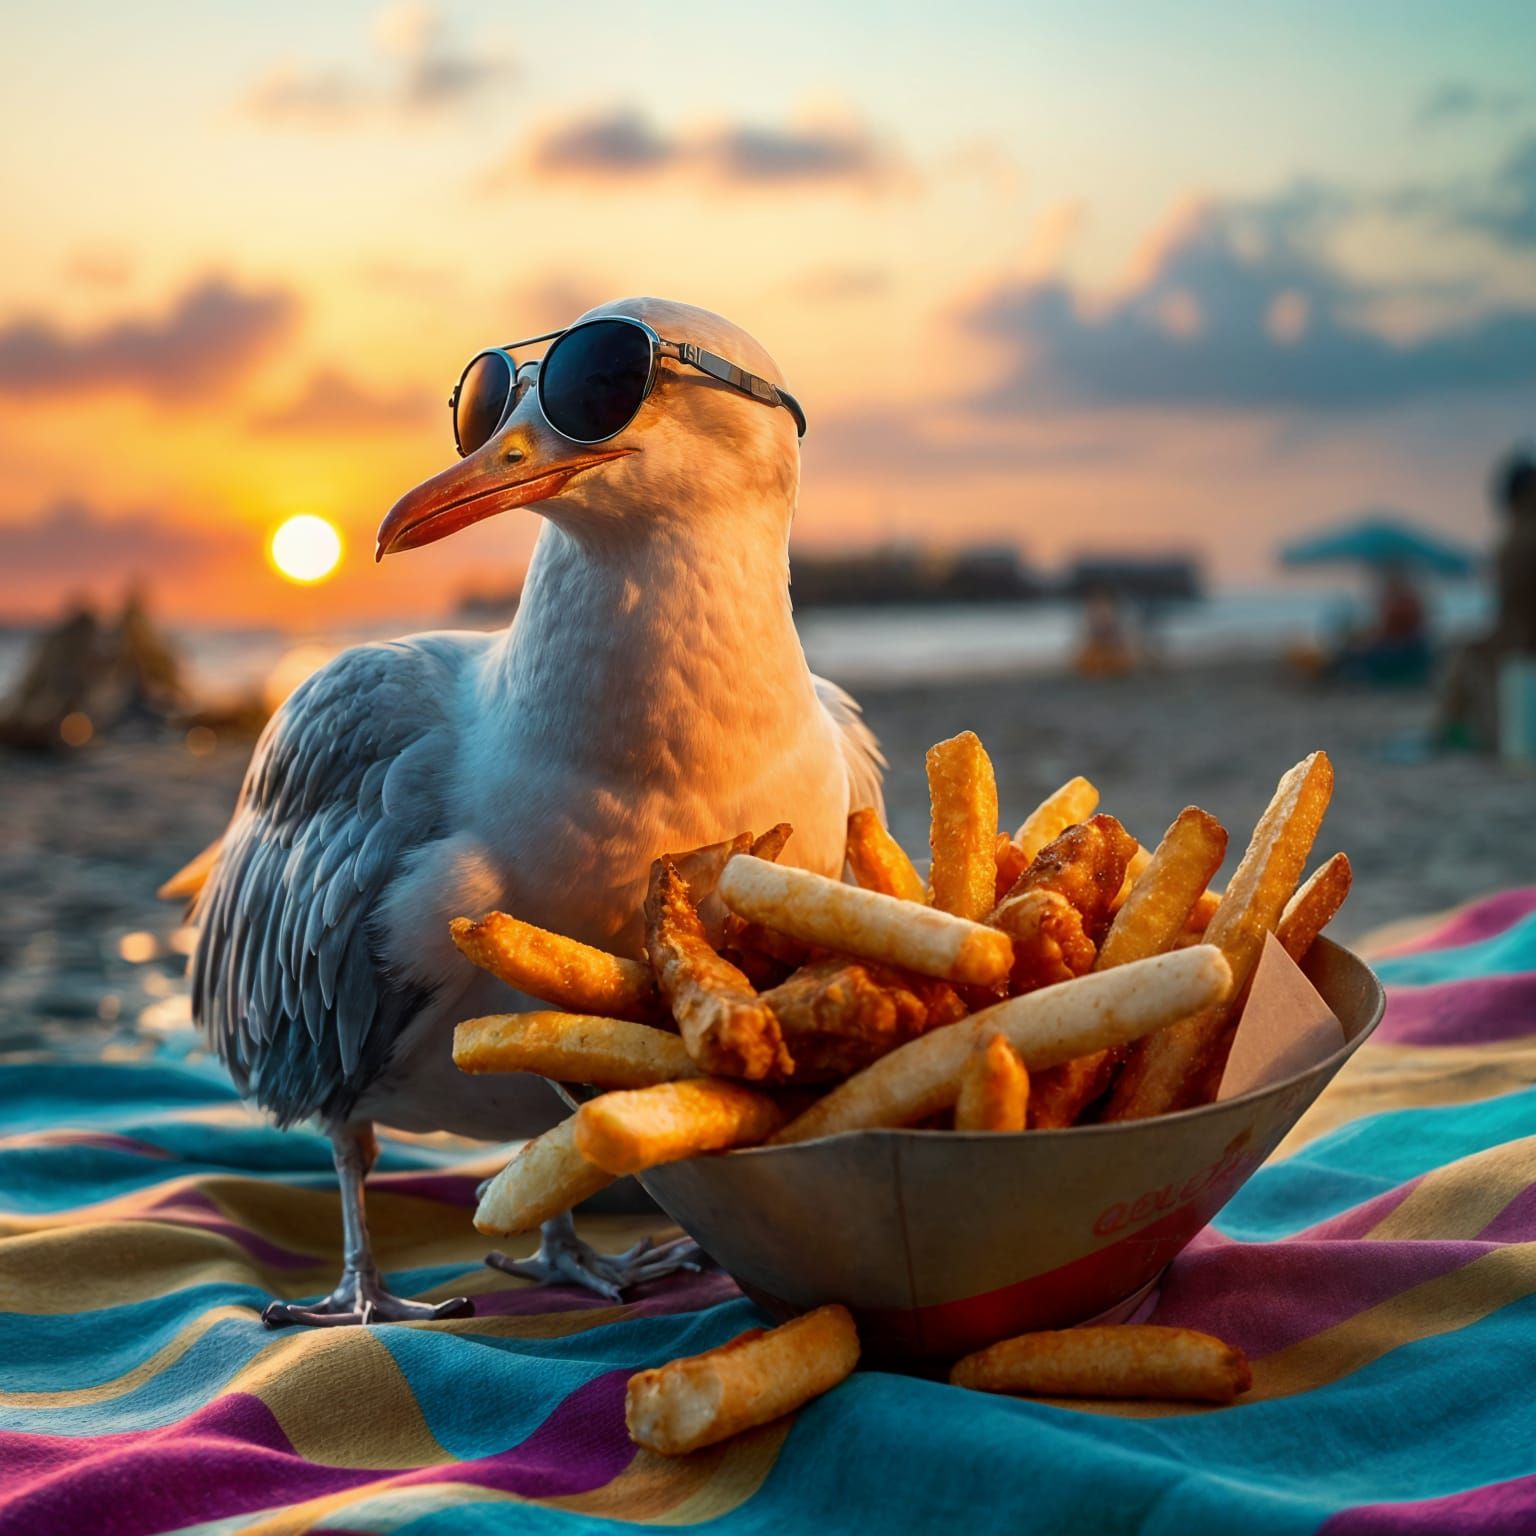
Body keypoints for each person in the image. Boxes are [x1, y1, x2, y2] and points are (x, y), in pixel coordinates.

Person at [1434, 446, 1536, 748]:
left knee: (1467, 656)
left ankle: (1472, 733)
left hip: (1523, 643)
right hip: (1524, 639)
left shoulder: (1515, 545)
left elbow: (1514, 616)